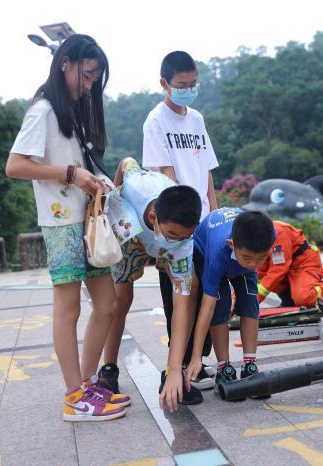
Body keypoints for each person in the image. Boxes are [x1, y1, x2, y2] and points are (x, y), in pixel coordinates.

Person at [6, 34, 129, 421]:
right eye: (87, 76)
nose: (89, 85)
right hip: (61, 224)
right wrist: (71, 173)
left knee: (107, 304)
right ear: (66, 64)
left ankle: (87, 385)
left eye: (95, 80)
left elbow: (74, 167)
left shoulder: (71, 111)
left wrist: (92, 179)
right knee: (69, 306)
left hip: (88, 222)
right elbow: (15, 166)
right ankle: (75, 396)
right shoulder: (43, 109)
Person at [97, 157, 203, 412]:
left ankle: (173, 371)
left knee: (189, 292)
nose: (179, 240)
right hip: (130, 233)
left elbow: (182, 305)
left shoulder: (182, 243)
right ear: (154, 217)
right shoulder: (137, 185)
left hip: (160, 244)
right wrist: (116, 199)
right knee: (120, 300)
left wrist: (176, 369)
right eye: (174, 234)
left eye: (186, 235)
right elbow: (126, 162)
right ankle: (108, 369)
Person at [142, 51, 219, 390]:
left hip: (203, 221)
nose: (188, 90)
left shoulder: (197, 120)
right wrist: (182, 224)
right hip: (178, 226)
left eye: (193, 84)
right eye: (181, 85)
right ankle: (176, 368)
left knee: (205, 290)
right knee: (179, 296)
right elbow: (166, 177)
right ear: (165, 84)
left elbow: (208, 174)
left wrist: (213, 216)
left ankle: (196, 363)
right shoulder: (155, 121)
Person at [184, 209, 276, 395]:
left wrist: (251, 259)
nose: (253, 264)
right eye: (248, 258)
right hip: (206, 256)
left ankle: (250, 364)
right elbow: (206, 308)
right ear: (232, 244)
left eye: (261, 258)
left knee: (251, 304)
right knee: (220, 306)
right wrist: (196, 358)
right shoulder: (218, 253)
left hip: (236, 256)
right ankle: (223, 368)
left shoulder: (263, 238)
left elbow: (252, 258)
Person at [257, 220, 323, 308]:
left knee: (303, 299)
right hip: (285, 265)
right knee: (261, 276)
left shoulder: (277, 233)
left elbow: (278, 269)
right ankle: (289, 299)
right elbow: (258, 270)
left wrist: (255, 300)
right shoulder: (251, 237)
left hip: (304, 262)